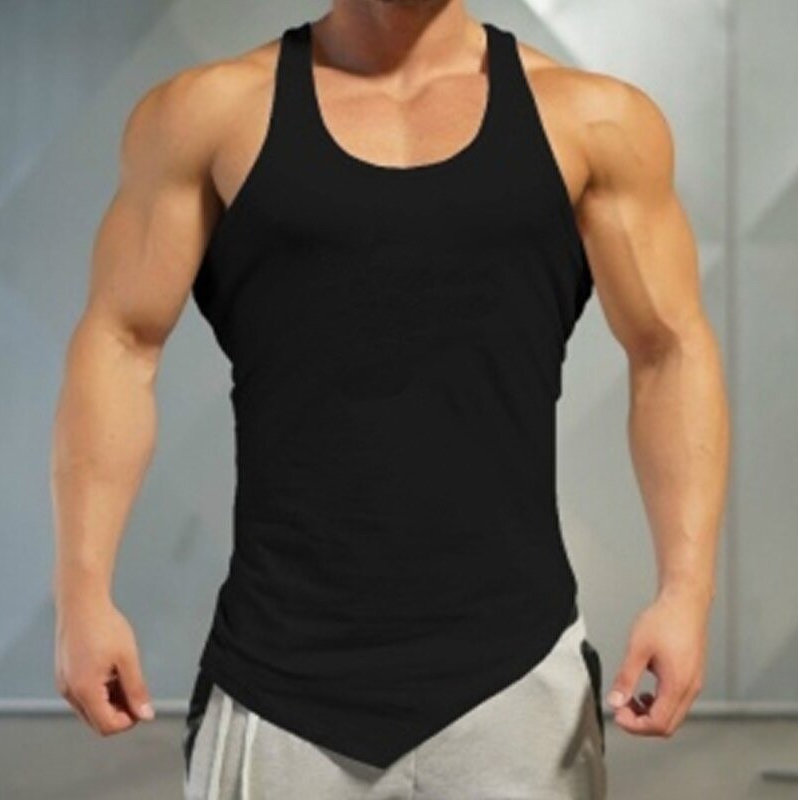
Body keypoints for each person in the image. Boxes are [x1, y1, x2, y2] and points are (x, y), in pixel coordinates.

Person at [51, 1, 730, 798]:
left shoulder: (593, 121)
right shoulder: (208, 116)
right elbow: (121, 342)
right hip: (279, 679)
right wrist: (82, 596)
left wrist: (685, 593)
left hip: (517, 679)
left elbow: (669, 351)